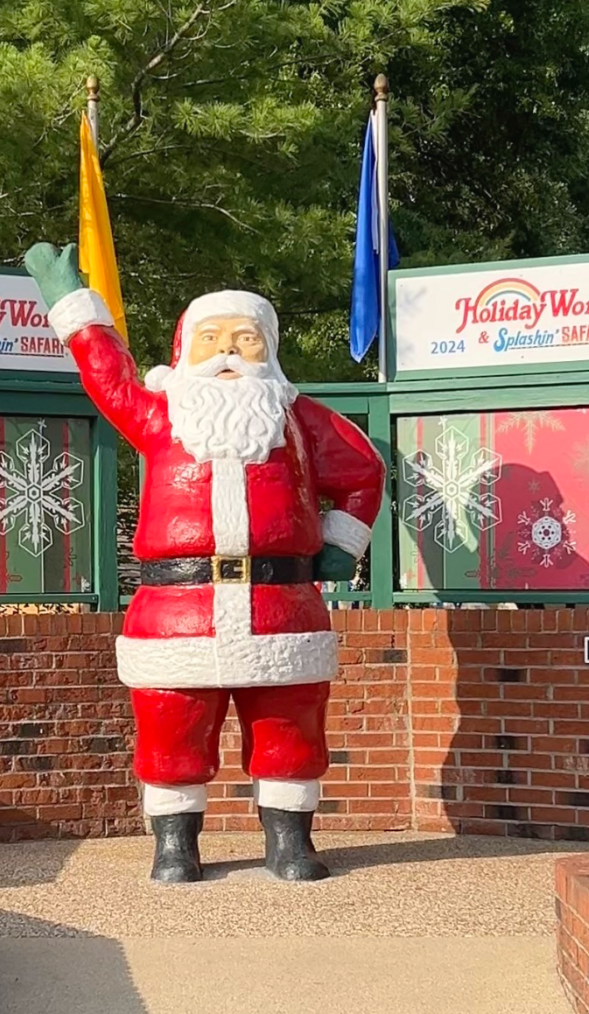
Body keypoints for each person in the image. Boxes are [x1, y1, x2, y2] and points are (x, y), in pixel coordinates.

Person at [27, 243, 386, 883]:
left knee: (290, 727)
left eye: (245, 340)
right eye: (212, 339)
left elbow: (363, 471)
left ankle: (290, 844)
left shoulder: (297, 420)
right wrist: (76, 312)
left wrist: (341, 542)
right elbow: (107, 378)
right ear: (185, 348)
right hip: (177, 612)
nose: (227, 353)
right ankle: (175, 846)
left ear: (269, 350)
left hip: (281, 609)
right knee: (171, 730)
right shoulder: (160, 416)